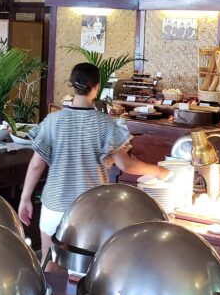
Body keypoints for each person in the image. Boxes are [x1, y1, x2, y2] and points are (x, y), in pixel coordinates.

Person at [18, 62, 169, 267]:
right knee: (88, 269)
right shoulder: (104, 124)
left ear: (73, 85)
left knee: (49, 264)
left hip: (54, 205)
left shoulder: (53, 121)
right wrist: (158, 171)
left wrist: (25, 198)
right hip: (90, 210)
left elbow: (36, 165)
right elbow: (125, 165)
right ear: (96, 87)